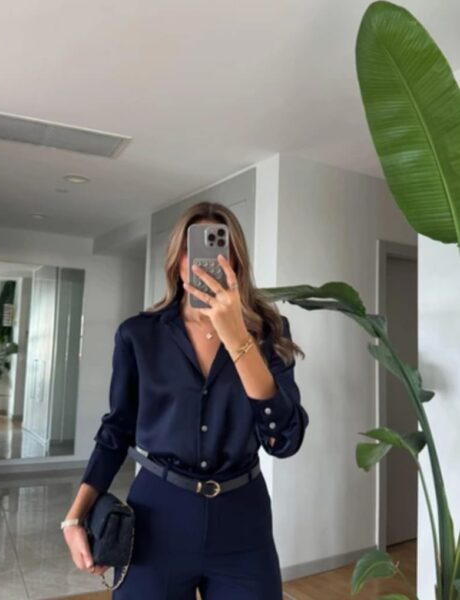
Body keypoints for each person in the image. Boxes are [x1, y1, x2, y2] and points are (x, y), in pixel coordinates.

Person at [62, 201, 309, 599]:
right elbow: (117, 430)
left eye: (217, 249)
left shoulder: (269, 331)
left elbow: (285, 439)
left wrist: (237, 337)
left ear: (235, 262)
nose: (201, 262)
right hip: (156, 516)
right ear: (176, 261)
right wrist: (74, 517)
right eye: (190, 250)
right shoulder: (138, 334)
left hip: (243, 521)